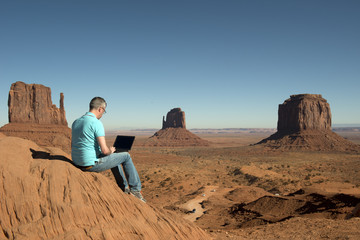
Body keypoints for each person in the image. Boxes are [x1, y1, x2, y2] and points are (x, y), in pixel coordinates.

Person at [71, 97, 146, 203]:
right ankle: (135, 190)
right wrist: (110, 151)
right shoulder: (96, 123)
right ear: (100, 109)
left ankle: (123, 188)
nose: (103, 114)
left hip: (77, 162)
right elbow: (105, 151)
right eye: (104, 111)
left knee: (114, 156)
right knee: (125, 156)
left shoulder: (76, 122)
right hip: (89, 164)